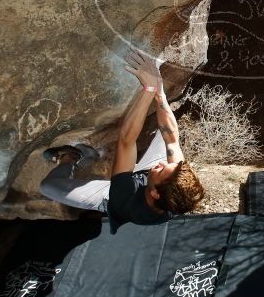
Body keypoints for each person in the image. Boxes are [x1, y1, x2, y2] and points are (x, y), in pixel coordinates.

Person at [39, 49, 204, 225]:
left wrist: (149, 89)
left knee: (48, 187)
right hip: (149, 181)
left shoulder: (125, 199)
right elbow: (171, 140)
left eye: (162, 169)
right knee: (167, 135)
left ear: (155, 193)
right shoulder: (175, 182)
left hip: (112, 198)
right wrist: (159, 92)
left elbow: (126, 140)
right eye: (171, 165)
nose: (163, 163)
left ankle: (71, 157)